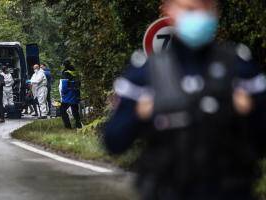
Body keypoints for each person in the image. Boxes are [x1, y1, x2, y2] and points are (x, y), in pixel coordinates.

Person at [104, 0, 266, 199]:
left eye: (206, 7)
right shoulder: (146, 72)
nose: (199, 15)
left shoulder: (240, 67)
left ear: (216, 11)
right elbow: (113, 142)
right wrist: (138, 114)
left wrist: (249, 112)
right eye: (189, 9)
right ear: (168, 11)